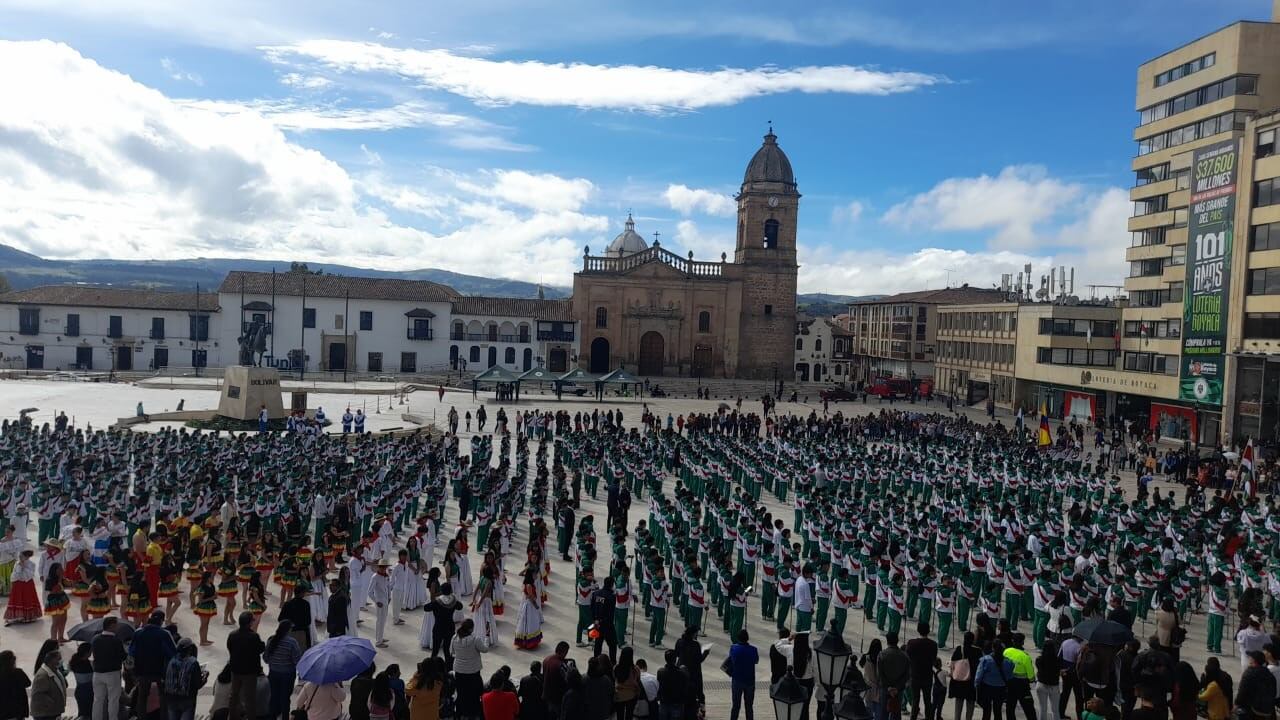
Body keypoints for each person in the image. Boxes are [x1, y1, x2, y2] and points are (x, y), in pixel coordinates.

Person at [134, 609, 179, 719]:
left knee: (142, 696)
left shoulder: (138, 632)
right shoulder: (164, 634)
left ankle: (141, 717)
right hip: (160, 670)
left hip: (142, 669)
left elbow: (132, 651)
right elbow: (172, 653)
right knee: (163, 696)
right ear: (161, 621)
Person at [227, 611, 266, 720]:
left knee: (234, 695)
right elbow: (260, 649)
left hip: (235, 670)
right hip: (250, 672)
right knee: (249, 698)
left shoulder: (233, 635)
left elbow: (229, 647)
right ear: (249, 623)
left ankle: (232, 716)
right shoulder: (254, 636)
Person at [451, 619, 490, 719]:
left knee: (462, 692)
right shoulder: (475, 639)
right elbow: (485, 649)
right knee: (474, 694)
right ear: (471, 629)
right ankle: (474, 713)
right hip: (473, 671)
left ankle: (461, 713)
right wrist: (486, 637)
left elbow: (451, 652)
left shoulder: (454, 638)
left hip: (459, 670)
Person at [264, 620, 303, 720]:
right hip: (288, 675)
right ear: (288, 630)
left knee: (273, 697)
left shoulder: (271, 640)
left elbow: (266, 658)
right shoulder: (292, 642)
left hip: (273, 673)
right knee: (285, 699)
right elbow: (297, 660)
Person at [92, 616, 127, 720]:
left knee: (98, 699)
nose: (118, 627)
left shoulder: (95, 639)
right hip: (112, 673)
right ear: (111, 626)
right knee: (113, 699)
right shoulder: (116, 640)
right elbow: (123, 656)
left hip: (97, 673)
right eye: (116, 624)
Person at [164, 638, 208, 720]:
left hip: (171, 698)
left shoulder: (171, 661)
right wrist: (205, 678)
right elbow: (197, 684)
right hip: (187, 700)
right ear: (190, 649)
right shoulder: (193, 662)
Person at [906, 623, 939, 720]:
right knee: (927, 700)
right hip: (927, 675)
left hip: (915, 675)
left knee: (915, 700)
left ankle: (913, 717)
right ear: (928, 631)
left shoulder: (911, 643)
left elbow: (908, 657)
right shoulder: (933, 644)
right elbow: (934, 659)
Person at [974, 642, 1012, 720]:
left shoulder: (986, 660)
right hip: (1001, 689)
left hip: (987, 688)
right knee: (998, 711)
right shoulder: (1008, 662)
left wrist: (977, 685)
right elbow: (1009, 676)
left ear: (993, 648)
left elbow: (978, 675)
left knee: (986, 712)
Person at [1002, 634, 1035, 720]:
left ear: (1013, 641)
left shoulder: (1006, 651)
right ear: (1022, 642)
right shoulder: (1025, 657)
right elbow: (1031, 676)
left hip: (1009, 684)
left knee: (1010, 708)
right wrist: (1032, 681)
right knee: (1029, 710)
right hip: (1022, 686)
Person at [879, 632, 911, 720]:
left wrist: (888, 687)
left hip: (885, 689)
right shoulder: (904, 656)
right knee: (896, 713)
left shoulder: (882, 655)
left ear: (887, 641)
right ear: (897, 641)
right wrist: (896, 688)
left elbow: (880, 674)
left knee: (883, 713)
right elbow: (906, 675)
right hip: (899, 690)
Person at [728, 630, 759, 720]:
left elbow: (731, 659)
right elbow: (756, 661)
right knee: (749, 706)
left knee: (735, 706)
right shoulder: (753, 649)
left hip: (737, 680)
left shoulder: (733, 648)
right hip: (750, 681)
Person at [1236, 652, 1276, 720]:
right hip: (1267, 709)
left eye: (1250, 658)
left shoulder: (1249, 673)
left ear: (1253, 660)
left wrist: (1236, 704)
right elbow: (1274, 692)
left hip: (1251, 709)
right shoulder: (1269, 674)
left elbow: (1242, 691)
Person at [949, 632, 980, 720]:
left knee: (959, 703)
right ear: (973, 640)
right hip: (971, 681)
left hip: (959, 681)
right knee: (970, 704)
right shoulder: (977, 651)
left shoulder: (959, 649)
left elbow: (953, 663)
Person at [656, 650, 689, 720]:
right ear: (675, 659)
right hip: (677, 703)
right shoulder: (681, 673)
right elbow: (685, 687)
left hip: (664, 702)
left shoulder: (661, 672)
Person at [1033, 639, 1061, 720]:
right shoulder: (1057, 660)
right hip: (1054, 686)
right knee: (1055, 710)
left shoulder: (1039, 659)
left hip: (1041, 684)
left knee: (1043, 709)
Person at [542, 642, 570, 718]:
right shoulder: (561, 665)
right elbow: (568, 680)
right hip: (557, 697)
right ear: (565, 652)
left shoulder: (546, 659)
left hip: (546, 694)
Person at [69, 642, 94, 720]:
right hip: (88, 692)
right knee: (89, 713)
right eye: (90, 651)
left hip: (79, 691)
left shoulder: (74, 662)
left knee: (82, 713)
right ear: (87, 653)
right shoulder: (89, 665)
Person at [862, 639, 884, 720]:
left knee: (868, 713)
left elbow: (861, 665)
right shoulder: (882, 659)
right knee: (878, 715)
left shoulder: (865, 657)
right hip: (879, 689)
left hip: (868, 688)